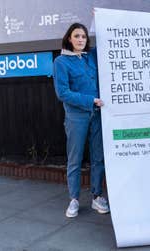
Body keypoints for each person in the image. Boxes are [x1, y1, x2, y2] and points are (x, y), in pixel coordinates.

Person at [53, 23, 110, 217]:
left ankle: (96, 197)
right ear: (69, 38)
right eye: (77, 36)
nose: (80, 39)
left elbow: (110, 41)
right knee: (75, 159)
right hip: (76, 117)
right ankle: (74, 199)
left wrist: (101, 19)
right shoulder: (61, 62)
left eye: (84, 36)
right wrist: (90, 100)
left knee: (98, 157)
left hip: (97, 115)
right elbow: (63, 93)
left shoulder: (91, 56)